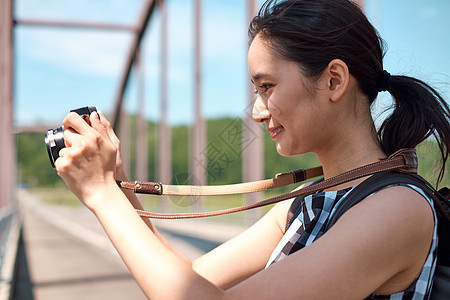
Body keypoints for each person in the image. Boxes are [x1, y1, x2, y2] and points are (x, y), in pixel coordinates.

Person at [55, 0, 450, 299]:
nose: (258, 111)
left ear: (333, 80)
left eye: (267, 87)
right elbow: (189, 280)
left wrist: (101, 195)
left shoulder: (397, 208)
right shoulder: (308, 201)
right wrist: (117, 184)